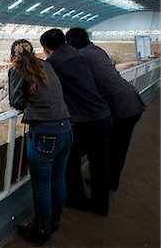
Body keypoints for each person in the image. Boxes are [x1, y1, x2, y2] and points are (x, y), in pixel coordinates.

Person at [40, 29, 112, 216]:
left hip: (84, 120)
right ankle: (101, 205)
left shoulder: (54, 62)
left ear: (47, 48)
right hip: (103, 115)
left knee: (68, 159)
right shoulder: (78, 54)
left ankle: (77, 200)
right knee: (99, 163)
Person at [8, 39, 72, 244]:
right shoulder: (47, 64)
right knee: (58, 179)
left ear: (13, 57)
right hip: (66, 130)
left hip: (45, 134)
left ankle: (42, 230)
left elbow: (15, 101)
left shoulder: (17, 69)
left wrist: (29, 102)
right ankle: (55, 221)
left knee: (42, 186)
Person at [65, 27, 145, 190]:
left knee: (113, 147)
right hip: (131, 102)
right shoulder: (96, 50)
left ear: (71, 44)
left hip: (122, 109)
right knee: (117, 147)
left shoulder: (81, 56)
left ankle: (107, 183)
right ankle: (109, 181)